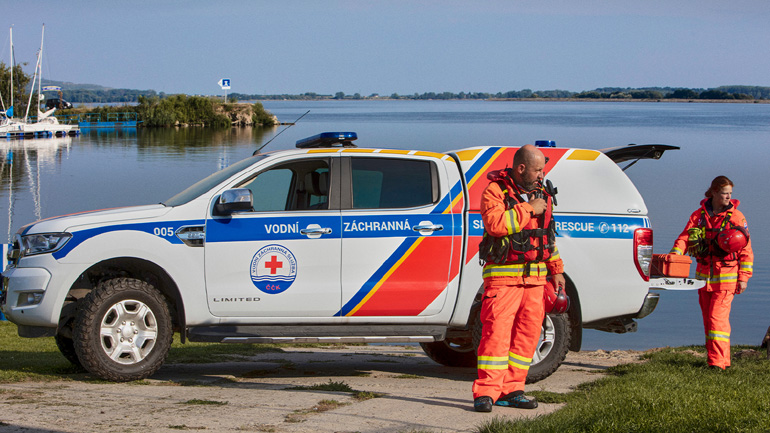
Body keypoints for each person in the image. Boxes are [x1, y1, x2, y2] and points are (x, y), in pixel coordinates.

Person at [473, 144, 565, 412]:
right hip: (503, 281)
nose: (541, 175)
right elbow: (496, 225)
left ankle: (513, 390)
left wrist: (556, 269)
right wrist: (529, 209)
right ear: (521, 168)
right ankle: (486, 393)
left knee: (527, 337)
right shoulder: (495, 191)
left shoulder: (542, 195)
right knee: (495, 337)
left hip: (535, 281)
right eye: (537, 170)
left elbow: (547, 237)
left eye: (543, 170)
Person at [670, 175, 753, 370]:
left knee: (717, 320)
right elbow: (685, 237)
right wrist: (674, 256)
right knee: (709, 321)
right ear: (714, 192)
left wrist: (743, 278)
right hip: (703, 278)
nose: (729, 197)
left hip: (726, 278)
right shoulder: (699, 215)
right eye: (725, 193)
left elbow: (746, 250)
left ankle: (717, 364)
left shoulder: (736, 217)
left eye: (730, 193)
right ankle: (719, 360)